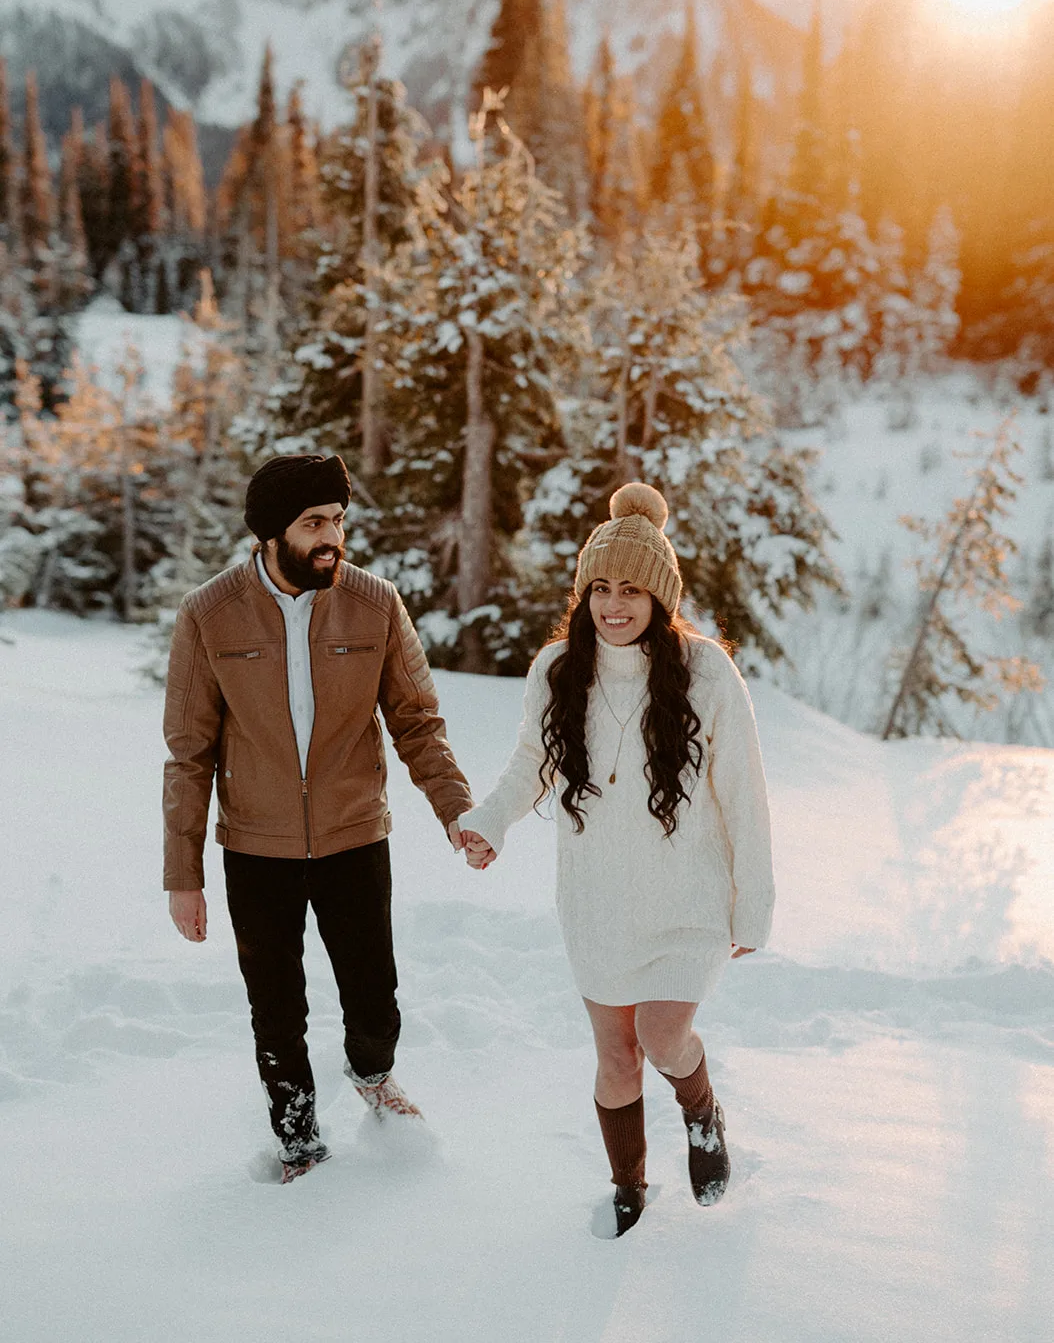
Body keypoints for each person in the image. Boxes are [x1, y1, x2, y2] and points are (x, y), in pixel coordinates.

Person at [458, 482, 774, 1235]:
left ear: (660, 597)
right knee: (617, 1054)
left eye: (631, 589)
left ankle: (701, 1113)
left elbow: (745, 794)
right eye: (600, 588)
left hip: (688, 899)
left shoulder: (706, 675)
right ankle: (628, 1188)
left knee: (664, 1034)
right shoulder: (558, 671)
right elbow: (531, 761)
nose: (613, 605)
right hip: (597, 898)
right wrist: (490, 823)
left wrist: (753, 902)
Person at [163, 453, 472, 1182]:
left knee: (375, 1001)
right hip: (255, 848)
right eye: (313, 523)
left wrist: (455, 811)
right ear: (272, 534)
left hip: (354, 836)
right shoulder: (209, 614)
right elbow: (188, 754)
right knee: (276, 1009)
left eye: (337, 519)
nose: (331, 536)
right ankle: (296, 1135)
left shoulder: (374, 603)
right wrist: (184, 876)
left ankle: (371, 1072)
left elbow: (418, 722)